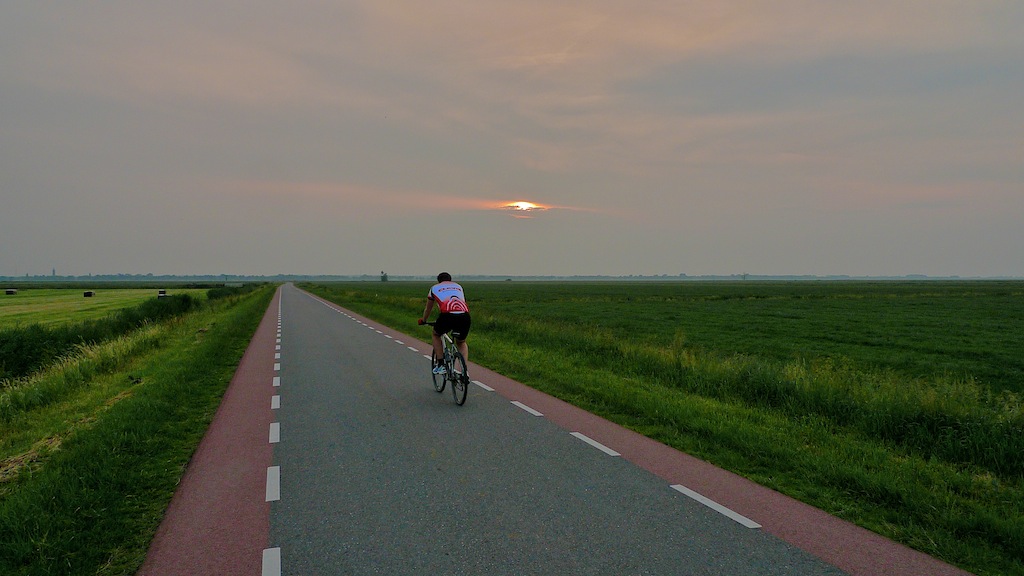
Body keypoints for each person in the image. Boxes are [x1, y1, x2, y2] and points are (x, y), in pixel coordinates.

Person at [418, 272, 471, 374]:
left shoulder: (434, 288)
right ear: (450, 280)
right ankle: (464, 371)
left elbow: (428, 308)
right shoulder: (458, 286)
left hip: (447, 315)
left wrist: (423, 320)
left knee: (436, 334)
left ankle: (441, 364)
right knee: (461, 342)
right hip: (464, 316)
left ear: (439, 281)